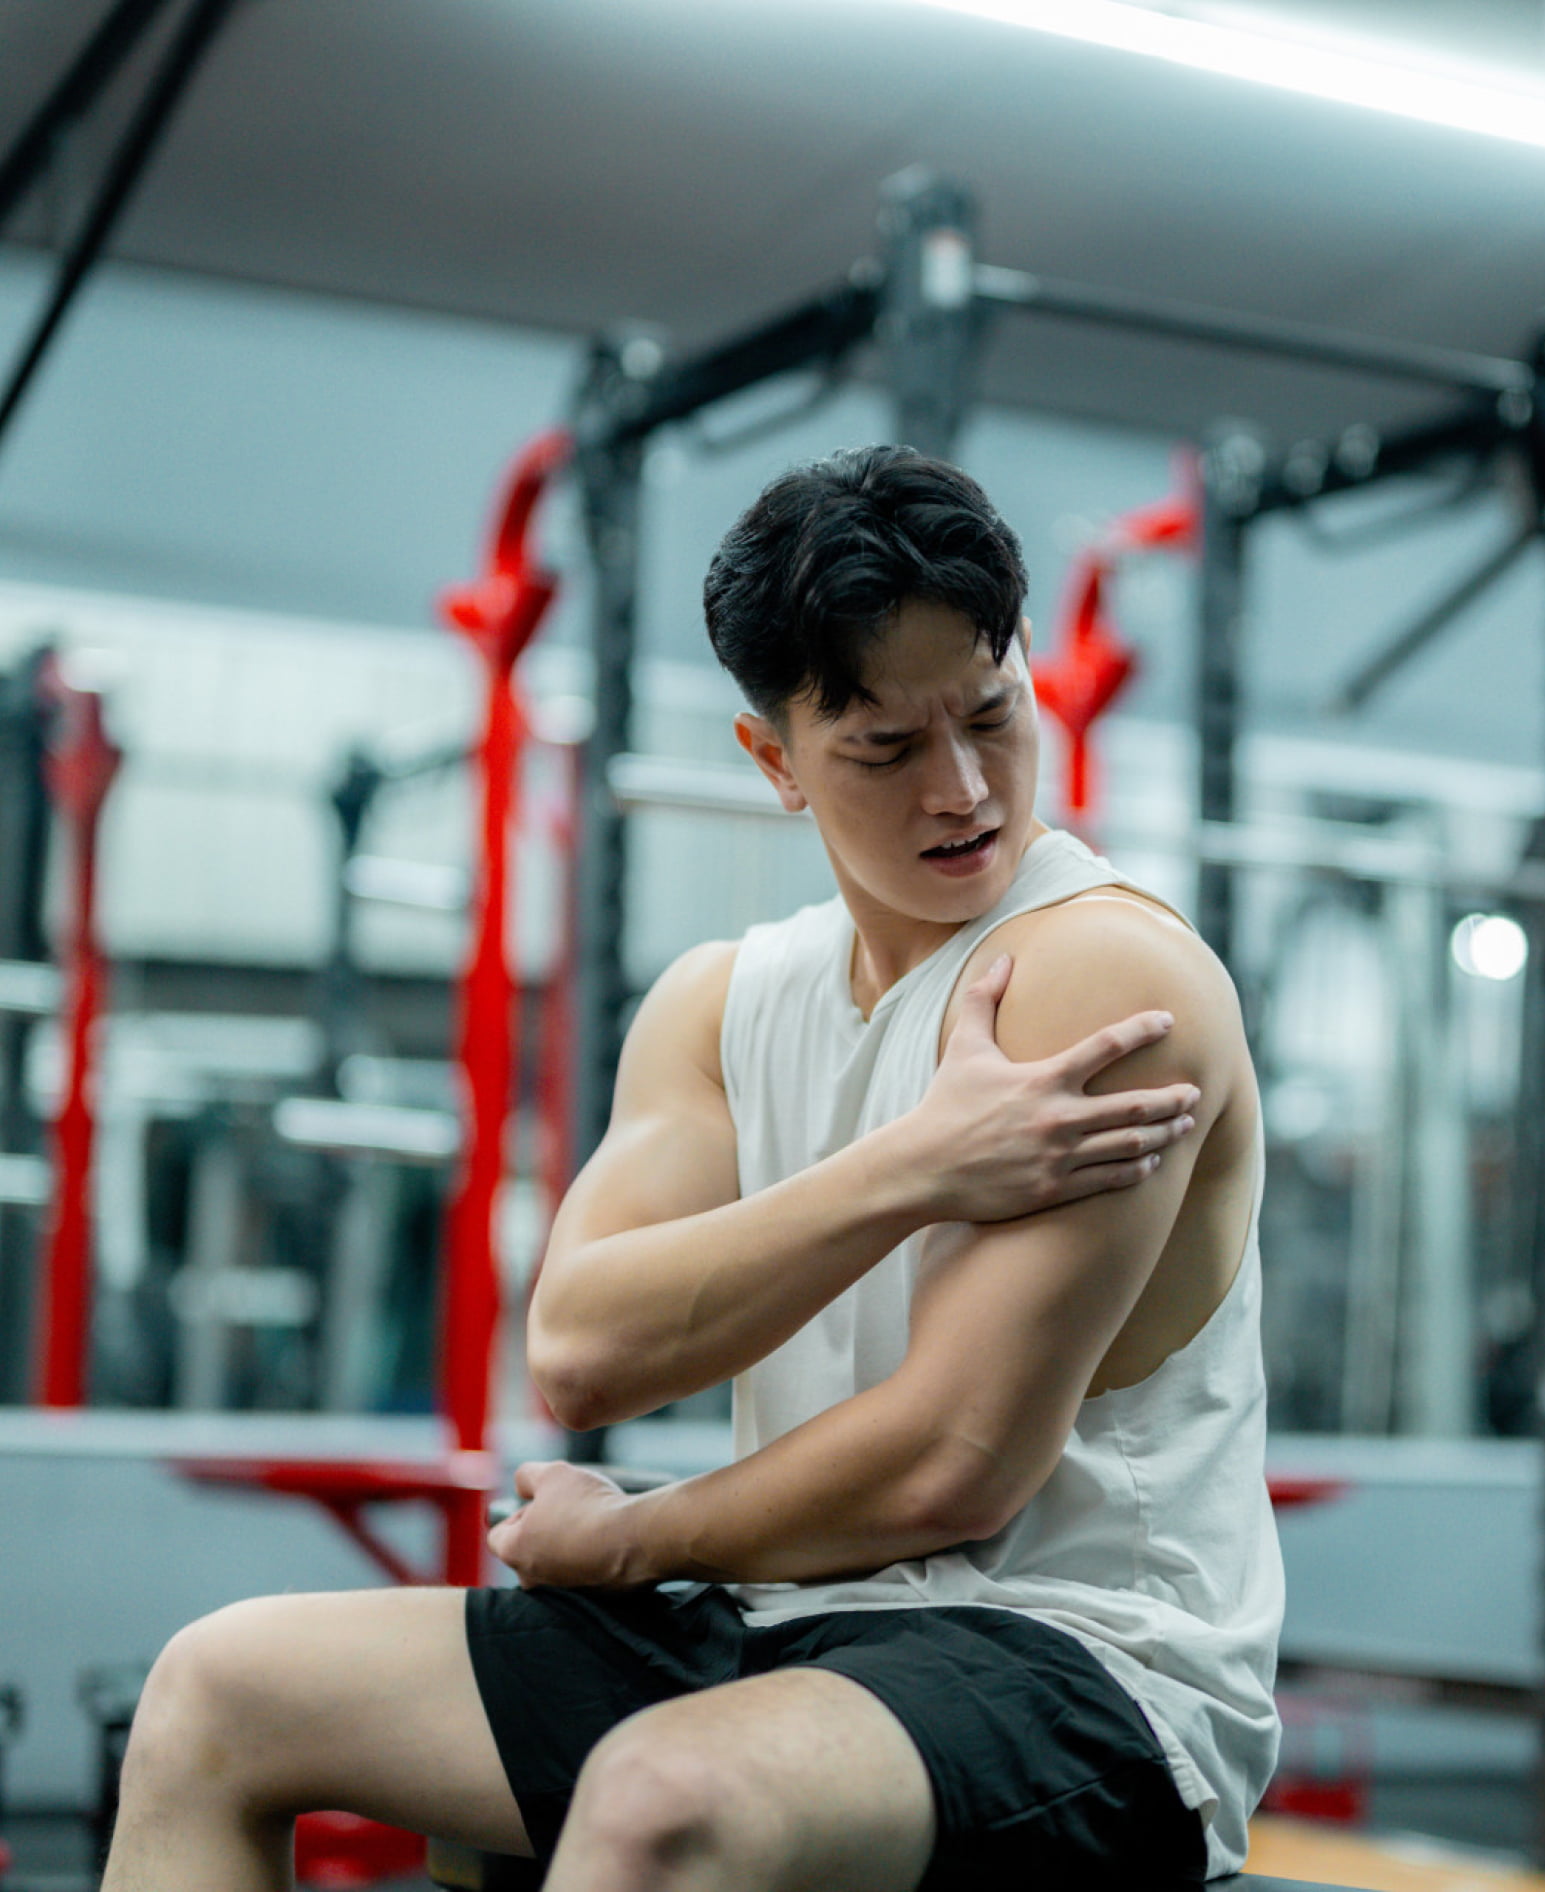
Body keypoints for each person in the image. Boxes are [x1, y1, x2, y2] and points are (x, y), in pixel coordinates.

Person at [103, 446, 1283, 1892]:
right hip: (785, 1626)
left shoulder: (1098, 969)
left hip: (1081, 1666)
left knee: (660, 1795)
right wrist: (911, 1166)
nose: (965, 789)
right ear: (775, 761)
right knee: (216, 1692)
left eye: (990, 715)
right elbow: (583, 1354)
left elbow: (953, 1468)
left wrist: (631, 1540)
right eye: (886, 750)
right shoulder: (724, 1004)